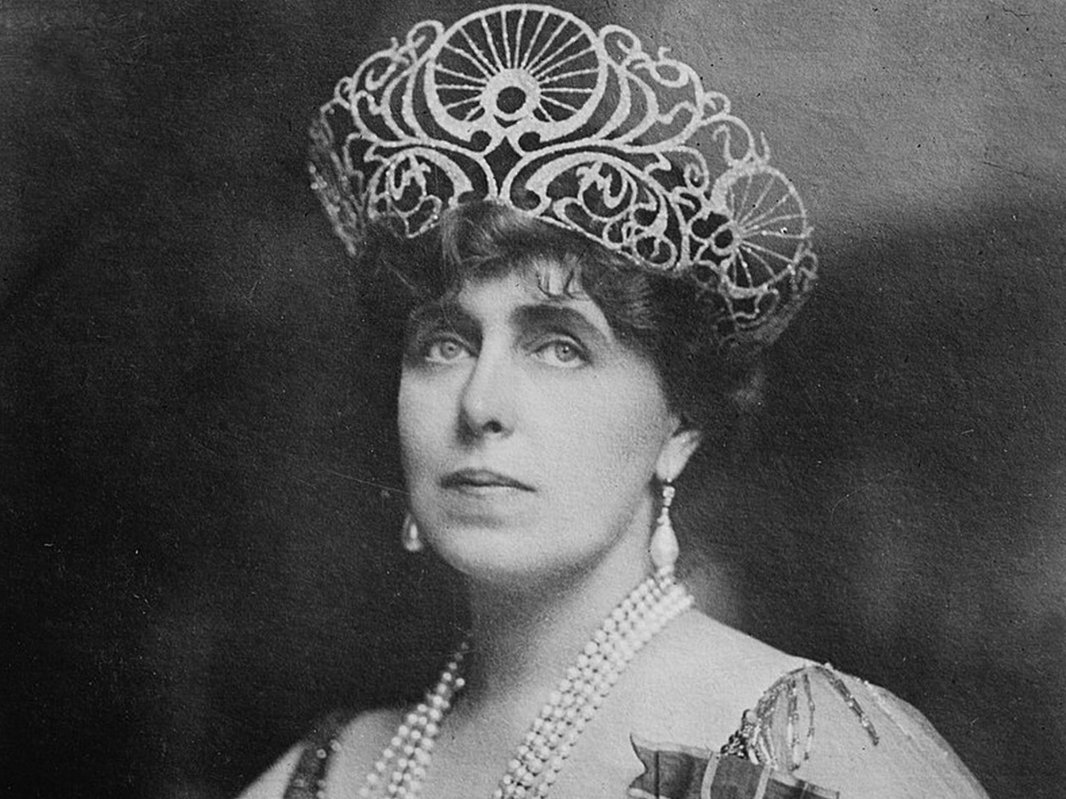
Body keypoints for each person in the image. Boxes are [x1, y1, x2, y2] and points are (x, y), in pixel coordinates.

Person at [240, 5, 988, 797]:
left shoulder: (808, 748)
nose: (481, 403)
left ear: (680, 424)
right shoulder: (328, 770)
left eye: (559, 346)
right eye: (445, 344)